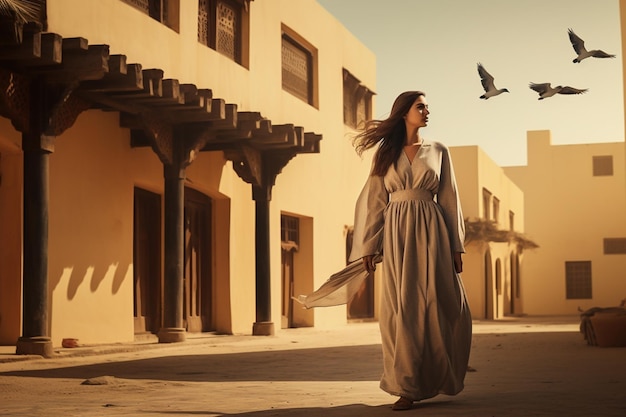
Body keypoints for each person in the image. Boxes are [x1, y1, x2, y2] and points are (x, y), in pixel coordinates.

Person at [297, 90, 472, 411]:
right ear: (405, 112)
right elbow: (375, 201)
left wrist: (455, 246)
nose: (427, 110)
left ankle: (433, 377)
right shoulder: (385, 152)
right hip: (396, 234)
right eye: (421, 106)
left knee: (436, 307)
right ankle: (406, 386)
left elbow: (449, 199)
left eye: (427, 106)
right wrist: (368, 244)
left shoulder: (439, 150)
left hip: (432, 230)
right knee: (400, 312)